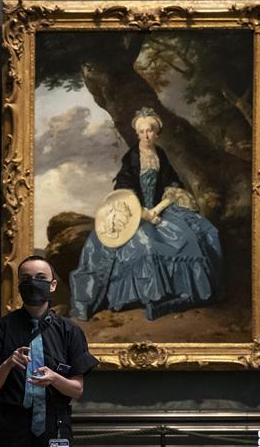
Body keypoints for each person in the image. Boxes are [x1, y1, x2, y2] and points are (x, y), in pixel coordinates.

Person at [70, 107, 222, 321]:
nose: (146, 135)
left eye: (149, 131)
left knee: (192, 236)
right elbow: (124, 187)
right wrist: (142, 212)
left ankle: (183, 294)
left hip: (160, 209)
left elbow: (172, 185)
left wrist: (157, 210)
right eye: (141, 132)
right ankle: (152, 296)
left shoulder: (160, 155)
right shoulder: (132, 156)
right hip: (135, 212)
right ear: (137, 134)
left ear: (156, 133)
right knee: (146, 246)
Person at [0, 255, 98, 447]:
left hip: (54, 427)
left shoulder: (70, 332)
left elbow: (77, 389)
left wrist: (54, 378)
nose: (33, 283)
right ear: (19, 285)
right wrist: (8, 364)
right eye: (26, 279)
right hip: (11, 430)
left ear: (52, 285)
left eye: (41, 278)